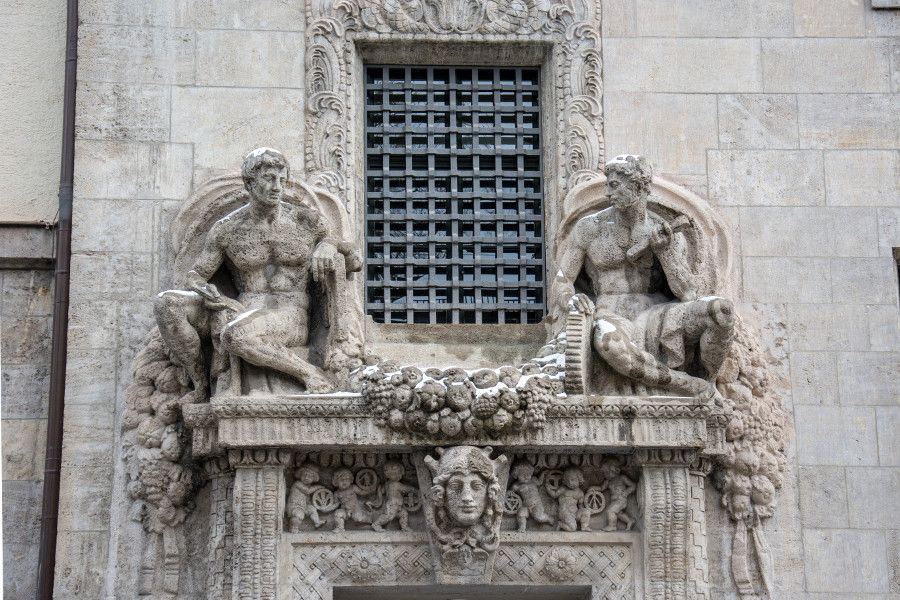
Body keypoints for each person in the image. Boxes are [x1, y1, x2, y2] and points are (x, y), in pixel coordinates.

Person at [155, 148, 362, 398]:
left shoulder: (307, 222)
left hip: (289, 314)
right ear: (249, 183)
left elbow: (354, 260)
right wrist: (206, 290)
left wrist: (330, 245)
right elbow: (196, 274)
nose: (277, 186)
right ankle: (200, 385)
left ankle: (310, 374)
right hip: (241, 308)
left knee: (236, 334)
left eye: (281, 179)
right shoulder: (228, 229)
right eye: (268, 178)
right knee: (168, 304)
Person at [556, 154, 735, 398]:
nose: (607, 193)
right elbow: (563, 279)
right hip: (612, 314)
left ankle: (708, 381)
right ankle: (686, 385)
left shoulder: (662, 230)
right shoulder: (590, 228)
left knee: (720, 312)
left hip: (656, 315)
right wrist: (571, 300)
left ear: (639, 186)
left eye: (615, 185)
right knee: (609, 344)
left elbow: (687, 293)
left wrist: (665, 253)